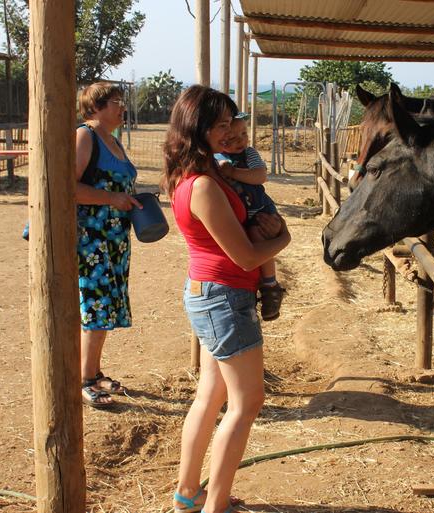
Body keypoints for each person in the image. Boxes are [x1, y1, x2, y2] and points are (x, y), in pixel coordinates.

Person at [163, 86, 290, 513]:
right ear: (198, 132)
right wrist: (284, 237)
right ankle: (214, 505)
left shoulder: (206, 177)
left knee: (211, 396)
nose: (233, 129)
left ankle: (188, 493)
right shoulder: (203, 186)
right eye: (221, 124)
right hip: (224, 297)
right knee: (247, 402)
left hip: (213, 295)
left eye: (234, 120)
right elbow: (246, 255)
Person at [76, 82, 142, 409]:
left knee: (105, 307)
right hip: (91, 239)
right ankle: (84, 380)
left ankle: (93, 371)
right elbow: (67, 187)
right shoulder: (85, 136)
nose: (122, 107)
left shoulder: (113, 141)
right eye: (116, 102)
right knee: (95, 307)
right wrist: (111, 198)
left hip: (114, 240)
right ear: (95, 107)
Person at [214, 114, 285, 321]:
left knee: (257, 236)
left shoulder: (250, 154)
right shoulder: (216, 159)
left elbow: (260, 176)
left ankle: (271, 285)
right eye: (233, 137)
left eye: (244, 134)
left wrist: (233, 172)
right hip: (239, 215)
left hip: (259, 209)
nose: (240, 140)